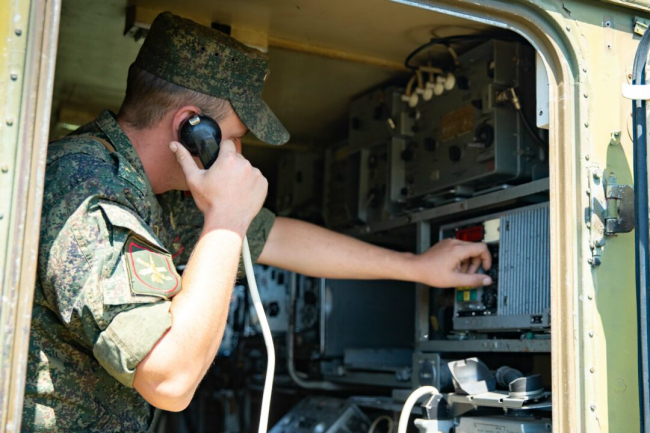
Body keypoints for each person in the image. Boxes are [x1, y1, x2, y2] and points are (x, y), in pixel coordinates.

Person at [22, 12, 492, 432]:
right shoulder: (85, 185)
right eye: (235, 137)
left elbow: (280, 238)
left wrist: (415, 266)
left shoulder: (150, 191)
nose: (240, 155)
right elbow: (169, 379)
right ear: (192, 128)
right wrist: (225, 216)